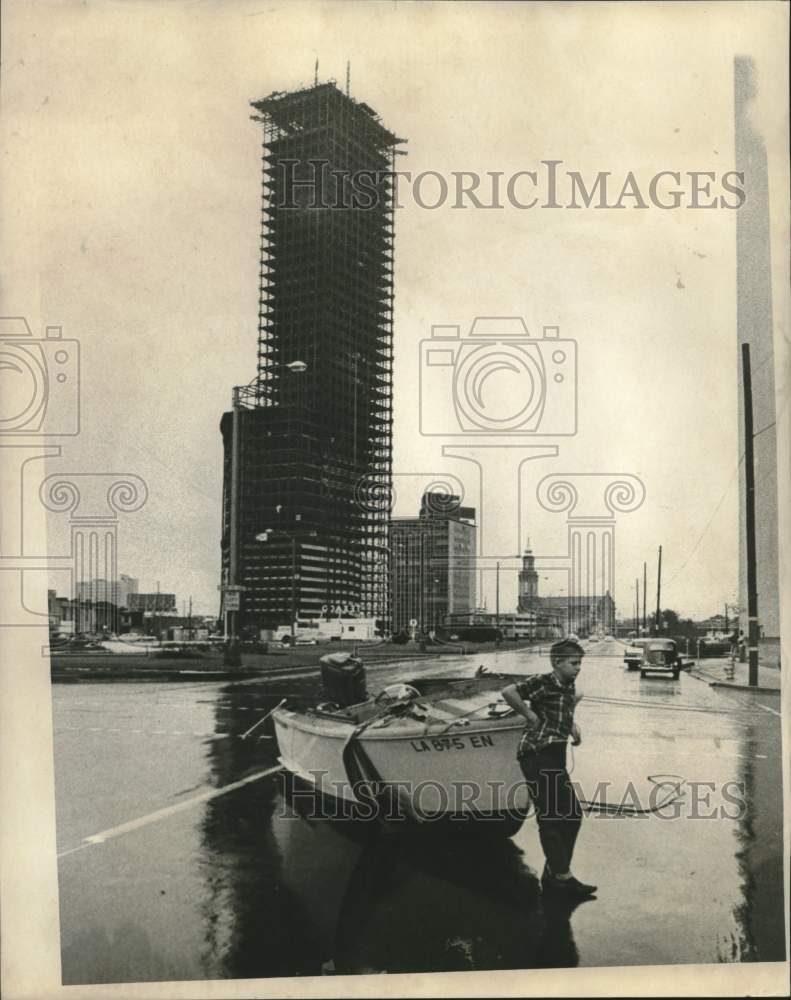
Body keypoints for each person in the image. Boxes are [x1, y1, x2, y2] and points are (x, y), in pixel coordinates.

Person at [502, 638, 596, 897]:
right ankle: (561, 877)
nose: (578, 668)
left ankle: (556, 871)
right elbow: (509, 692)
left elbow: (564, 709)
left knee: (572, 814)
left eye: (580, 663)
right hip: (537, 753)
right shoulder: (543, 681)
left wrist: (572, 726)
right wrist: (529, 715)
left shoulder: (568, 685)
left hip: (555, 754)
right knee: (552, 815)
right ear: (556, 663)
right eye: (573, 663)